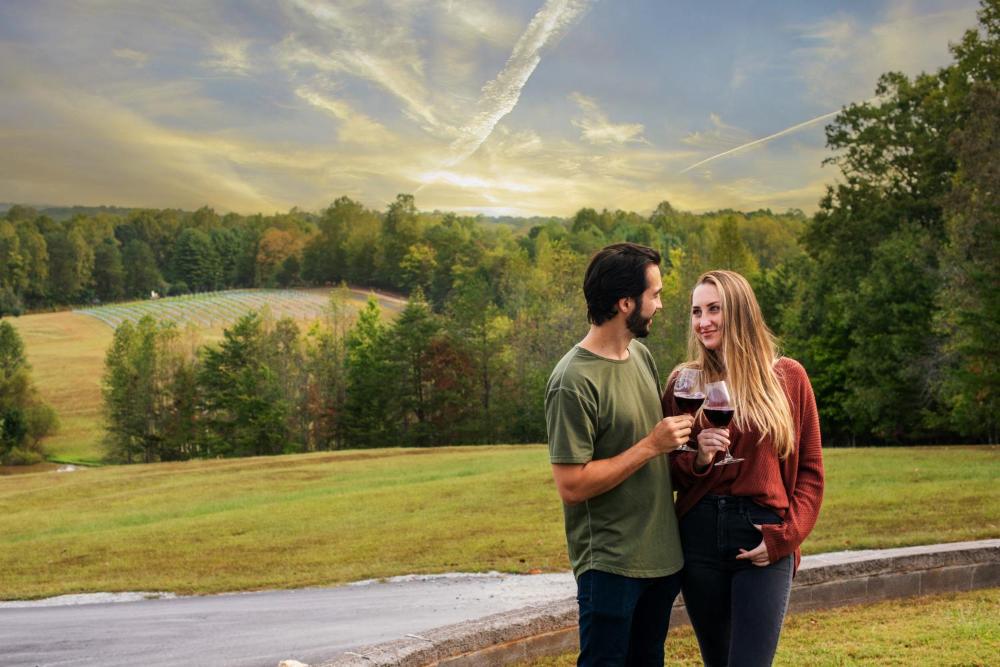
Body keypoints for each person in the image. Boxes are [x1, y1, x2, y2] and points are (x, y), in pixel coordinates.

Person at [664, 269, 824, 667]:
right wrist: (699, 459)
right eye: (696, 311)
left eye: (714, 309)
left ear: (739, 312)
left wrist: (784, 538)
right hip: (698, 537)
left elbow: (810, 473)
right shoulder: (684, 382)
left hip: (760, 533)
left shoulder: (787, 378)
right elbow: (665, 470)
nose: (703, 321)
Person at [545, 242, 694, 666]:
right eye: (655, 295)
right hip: (611, 568)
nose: (660, 305)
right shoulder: (572, 381)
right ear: (625, 303)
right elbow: (572, 486)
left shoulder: (641, 356)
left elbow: (661, 460)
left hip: (661, 562)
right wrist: (651, 445)